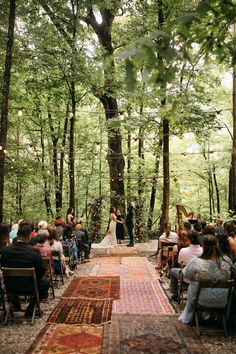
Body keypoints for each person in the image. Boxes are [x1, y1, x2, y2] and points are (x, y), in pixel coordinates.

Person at [178, 235, 232, 324]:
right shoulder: (226, 261)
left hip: (201, 299)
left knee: (193, 284)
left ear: (203, 246)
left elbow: (185, 275)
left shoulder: (196, 262)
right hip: (222, 300)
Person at [0, 220, 50, 317]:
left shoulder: (5, 250)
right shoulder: (34, 251)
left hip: (10, 286)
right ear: (29, 236)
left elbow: (3, 266)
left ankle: (15, 305)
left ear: (17, 235)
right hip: (30, 286)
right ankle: (31, 308)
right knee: (46, 282)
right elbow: (42, 270)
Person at [170, 231, 203, 301]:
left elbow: (179, 262)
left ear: (189, 240)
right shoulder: (203, 251)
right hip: (200, 277)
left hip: (186, 277)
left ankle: (175, 294)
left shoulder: (183, 250)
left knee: (172, 271)